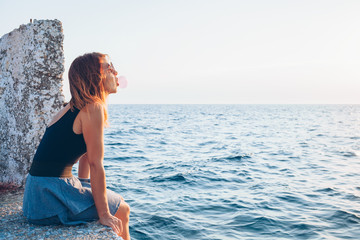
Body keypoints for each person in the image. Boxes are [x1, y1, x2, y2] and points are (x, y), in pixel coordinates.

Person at [23, 52, 130, 240]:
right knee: (122, 208)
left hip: (37, 196)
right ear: (95, 77)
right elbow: (96, 164)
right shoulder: (92, 108)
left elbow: (86, 156)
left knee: (109, 197)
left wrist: (83, 186)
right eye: (108, 67)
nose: (115, 71)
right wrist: (104, 214)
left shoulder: (73, 107)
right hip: (49, 198)